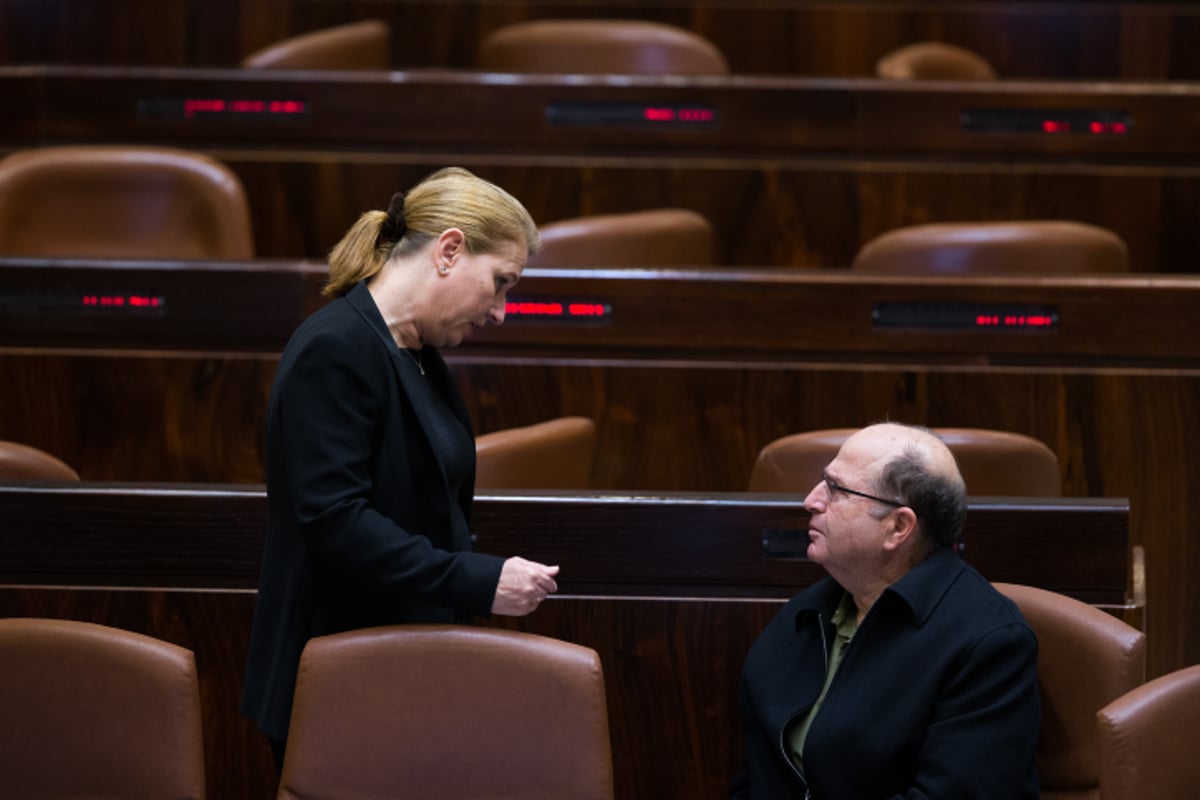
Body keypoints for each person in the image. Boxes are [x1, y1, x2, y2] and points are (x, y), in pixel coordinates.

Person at [241, 167, 561, 770]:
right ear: (448, 250)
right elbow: (338, 523)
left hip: (396, 667)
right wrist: (474, 579)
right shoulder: (336, 348)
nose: (500, 312)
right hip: (338, 681)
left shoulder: (416, 354)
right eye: (501, 283)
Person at [730, 422, 1040, 799]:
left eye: (836, 489)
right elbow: (757, 778)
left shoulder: (989, 644)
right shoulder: (805, 615)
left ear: (898, 527)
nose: (811, 500)